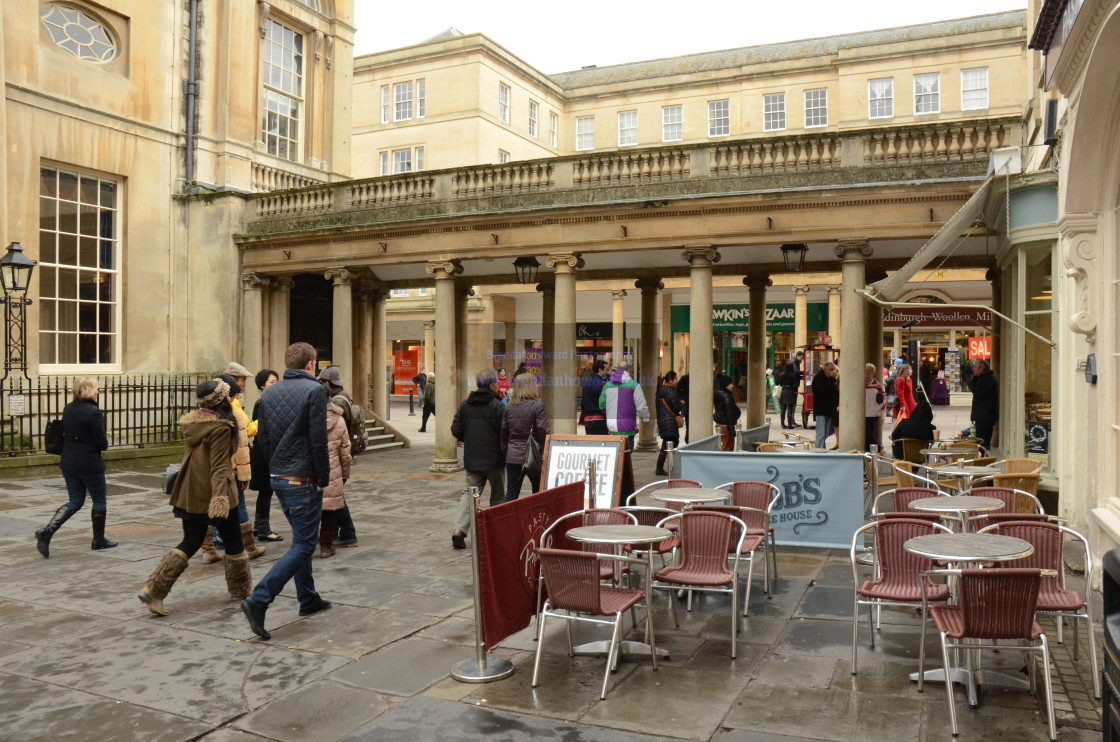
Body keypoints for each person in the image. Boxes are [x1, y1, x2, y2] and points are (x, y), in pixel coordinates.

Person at [241, 342, 332, 641]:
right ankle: (259, 599)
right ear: (310, 364)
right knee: (305, 545)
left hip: (279, 475)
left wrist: (272, 471)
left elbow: (263, 439)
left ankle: (308, 598)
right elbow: (318, 439)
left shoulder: (270, 393)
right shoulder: (315, 391)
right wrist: (323, 476)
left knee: (300, 540)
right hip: (303, 477)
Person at [137, 379, 250, 616]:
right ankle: (241, 589)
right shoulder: (221, 428)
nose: (231, 399)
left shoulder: (193, 424)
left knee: (191, 540)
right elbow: (219, 467)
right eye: (228, 395)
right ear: (221, 400)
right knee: (233, 541)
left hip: (189, 492)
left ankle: (154, 589)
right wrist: (220, 500)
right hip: (216, 493)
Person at [35, 376, 117, 558]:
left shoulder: (69, 408)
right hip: (89, 463)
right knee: (99, 501)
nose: (98, 391)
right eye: (96, 388)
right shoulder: (93, 412)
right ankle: (98, 540)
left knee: (75, 500)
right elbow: (102, 442)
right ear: (88, 390)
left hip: (69, 462)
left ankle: (47, 531)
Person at [201, 373, 267, 563]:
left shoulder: (203, 415)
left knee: (213, 506)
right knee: (239, 506)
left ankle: (208, 549)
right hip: (231, 471)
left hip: (209, 471)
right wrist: (244, 476)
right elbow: (241, 450)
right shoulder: (234, 413)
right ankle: (249, 547)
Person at [450, 369, 507, 549]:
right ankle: (496, 532)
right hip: (494, 459)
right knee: (497, 495)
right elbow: (505, 431)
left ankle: (459, 530)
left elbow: (456, 429)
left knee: (470, 493)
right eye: (496, 383)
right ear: (491, 385)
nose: (498, 386)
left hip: (472, 458)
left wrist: (471, 439)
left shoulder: (466, 405)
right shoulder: (498, 406)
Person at [318, 365, 359, 548]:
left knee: (336, 497)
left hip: (334, 457)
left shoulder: (337, 403)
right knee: (333, 497)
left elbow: (335, 433)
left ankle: (348, 533)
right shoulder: (343, 397)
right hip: (339, 456)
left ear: (328, 383)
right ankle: (333, 532)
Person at [500, 373, 550, 502]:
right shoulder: (537, 406)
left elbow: (504, 435)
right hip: (533, 456)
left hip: (513, 456)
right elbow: (542, 432)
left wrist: (508, 453)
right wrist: (545, 451)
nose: (538, 385)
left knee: (511, 493)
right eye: (535, 383)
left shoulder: (508, 407)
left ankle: (505, 520)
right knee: (537, 493)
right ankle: (535, 519)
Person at [250, 369, 284, 542]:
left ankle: (259, 526)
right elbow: (261, 432)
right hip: (263, 453)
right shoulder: (262, 403)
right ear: (262, 385)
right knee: (266, 490)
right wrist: (270, 457)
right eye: (272, 382)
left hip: (266, 452)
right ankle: (263, 529)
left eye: (277, 381)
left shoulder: (270, 401)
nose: (275, 384)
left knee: (266, 491)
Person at [318, 393, 352, 558]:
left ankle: (306, 543)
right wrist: (345, 474)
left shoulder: (305, 417)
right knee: (330, 509)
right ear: (329, 398)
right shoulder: (338, 420)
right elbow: (345, 450)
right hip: (333, 469)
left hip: (310, 469)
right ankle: (326, 545)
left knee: (310, 508)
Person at [599, 361, 650, 445]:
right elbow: (641, 405)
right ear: (628, 370)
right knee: (628, 451)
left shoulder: (607, 385)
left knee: (617, 450)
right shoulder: (634, 385)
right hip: (628, 426)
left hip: (612, 425)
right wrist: (646, 419)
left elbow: (601, 404)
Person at [655, 372, 683, 475]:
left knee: (667, 443)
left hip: (662, 420)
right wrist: (681, 404)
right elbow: (676, 408)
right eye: (676, 379)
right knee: (673, 443)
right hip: (670, 420)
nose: (677, 381)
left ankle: (660, 467)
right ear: (671, 380)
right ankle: (669, 466)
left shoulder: (660, 390)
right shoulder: (672, 391)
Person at [968, 358, 999, 449]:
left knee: (983, 441)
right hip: (983, 415)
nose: (973, 369)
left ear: (981, 369)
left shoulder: (987, 379)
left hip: (985, 416)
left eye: (975, 367)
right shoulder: (983, 378)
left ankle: (984, 459)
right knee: (980, 440)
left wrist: (972, 380)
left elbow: (978, 392)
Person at [811, 362, 839, 449]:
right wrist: (832, 379)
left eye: (834, 370)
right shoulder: (818, 378)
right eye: (831, 370)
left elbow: (834, 392)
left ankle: (822, 449)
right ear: (825, 369)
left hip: (829, 409)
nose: (833, 372)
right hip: (821, 410)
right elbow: (824, 391)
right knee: (821, 433)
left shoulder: (829, 378)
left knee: (826, 433)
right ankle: (819, 451)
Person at [580, 359, 610, 435]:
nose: (607, 372)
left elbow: (582, 404)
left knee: (591, 444)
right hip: (600, 418)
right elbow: (604, 402)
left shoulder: (586, 383)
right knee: (602, 444)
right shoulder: (603, 384)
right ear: (600, 370)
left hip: (587, 418)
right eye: (606, 370)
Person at [713, 375, 740, 451]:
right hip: (726, 425)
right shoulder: (726, 396)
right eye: (730, 383)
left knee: (725, 445)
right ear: (726, 385)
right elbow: (729, 414)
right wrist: (732, 430)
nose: (732, 385)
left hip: (721, 424)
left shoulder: (719, 393)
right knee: (727, 447)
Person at [864, 362, 886, 452]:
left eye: (870, 371)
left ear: (873, 372)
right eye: (866, 371)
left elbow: (883, 397)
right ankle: (872, 450)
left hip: (873, 413)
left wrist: (879, 408)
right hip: (862, 413)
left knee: (868, 433)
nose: (867, 373)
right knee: (866, 433)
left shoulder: (877, 384)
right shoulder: (858, 384)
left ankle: (876, 449)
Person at [778, 360, 801, 429]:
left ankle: (782, 424)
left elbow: (781, 384)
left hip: (784, 391)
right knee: (790, 408)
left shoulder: (781, 374)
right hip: (791, 391)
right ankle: (790, 424)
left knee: (783, 408)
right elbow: (796, 385)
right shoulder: (792, 374)